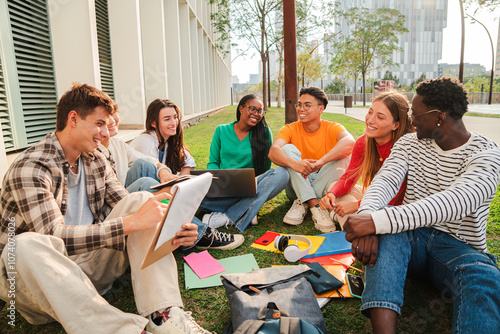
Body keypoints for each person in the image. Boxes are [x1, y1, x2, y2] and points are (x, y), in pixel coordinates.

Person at [0, 83, 211, 334]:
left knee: (142, 199)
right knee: (23, 245)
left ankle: (165, 317)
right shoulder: (32, 167)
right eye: (99, 124)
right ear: (73, 119)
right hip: (43, 284)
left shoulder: (96, 158)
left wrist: (169, 231)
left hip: (92, 268)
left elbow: (129, 207)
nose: (106, 133)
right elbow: (53, 237)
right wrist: (129, 223)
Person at [344, 77, 500, 333]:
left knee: (484, 277)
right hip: (409, 239)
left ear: (439, 117)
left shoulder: (487, 155)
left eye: (415, 114)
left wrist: (376, 221)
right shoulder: (408, 143)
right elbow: (385, 182)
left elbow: (457, 201)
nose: (411, 120)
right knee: (386, 237)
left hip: (460, 249)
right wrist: (368, 218)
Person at [130, 98, 244, 250]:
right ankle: (202, 233)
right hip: (129, 197)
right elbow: (150, 170)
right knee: (148, 174)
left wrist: (182, 182)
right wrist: (170, 180)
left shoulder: (169, 141)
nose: (173, 122)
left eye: (175, 117)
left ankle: (193, 227)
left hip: (152, 201)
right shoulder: (145, 141)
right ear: (153, 123)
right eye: (167, 119)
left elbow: (188, 162)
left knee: (183, 189)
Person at [319, 91, 414, 229]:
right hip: (374, 201)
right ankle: (352, 222)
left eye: (380, 117)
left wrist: (355, 205)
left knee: (358, 220)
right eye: (370, 112)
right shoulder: (363, 142)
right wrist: (332, 194)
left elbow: (396, 194)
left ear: (396, 125)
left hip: (397, 209)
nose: (370, 120)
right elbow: (349, 177)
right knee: (335, 186)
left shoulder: (404, 147)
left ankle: (350, 223)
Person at [268, 86, 355, 232]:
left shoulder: (332, 127)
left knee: (344, 155)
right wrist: (294, 164)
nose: (301, 109)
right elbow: (273, 152)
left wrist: (320, 162)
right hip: (295, 186)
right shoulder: (289, 129)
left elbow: (350, 143)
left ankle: (304, 201)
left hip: (323, 181)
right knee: (287, 149)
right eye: (299, 105)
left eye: (307, 105)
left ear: (321, 109)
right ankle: (315, 205)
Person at [200, 94, 289, 231]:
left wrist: (251, 185)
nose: (257, 114)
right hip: (223, 188)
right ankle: (248, 209)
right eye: (252, 109)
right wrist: (217, 182)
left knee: (282, 174)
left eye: (260, 111)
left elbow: (265, 169)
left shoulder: (264, 133)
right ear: (241, 108)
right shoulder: (221, 130)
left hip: (250, 187)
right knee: (198, 198)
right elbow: (213, 163)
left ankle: (229, 216)